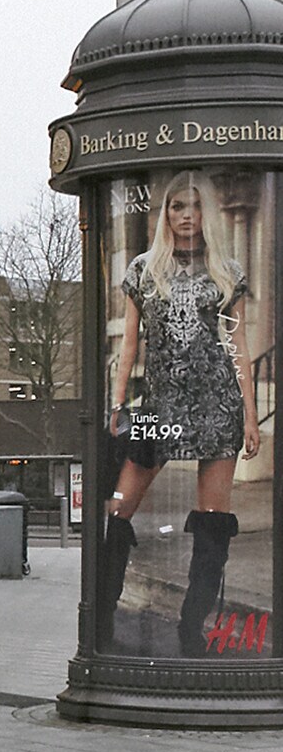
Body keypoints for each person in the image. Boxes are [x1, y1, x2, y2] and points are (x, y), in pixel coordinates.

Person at [100, 172, 261, 656]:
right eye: (177, 206)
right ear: (165, 213)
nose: (186, 216)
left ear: (206, 212)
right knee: (118, 509)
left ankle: (192, 630)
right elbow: (129, 345)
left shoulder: (226, 271)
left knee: (213, 521)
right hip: (160, 406)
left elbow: (238, 347)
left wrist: (250, 416)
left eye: (195, 206)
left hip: (217, 405)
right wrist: (117, 403)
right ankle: (101, 618)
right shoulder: (143, 270)